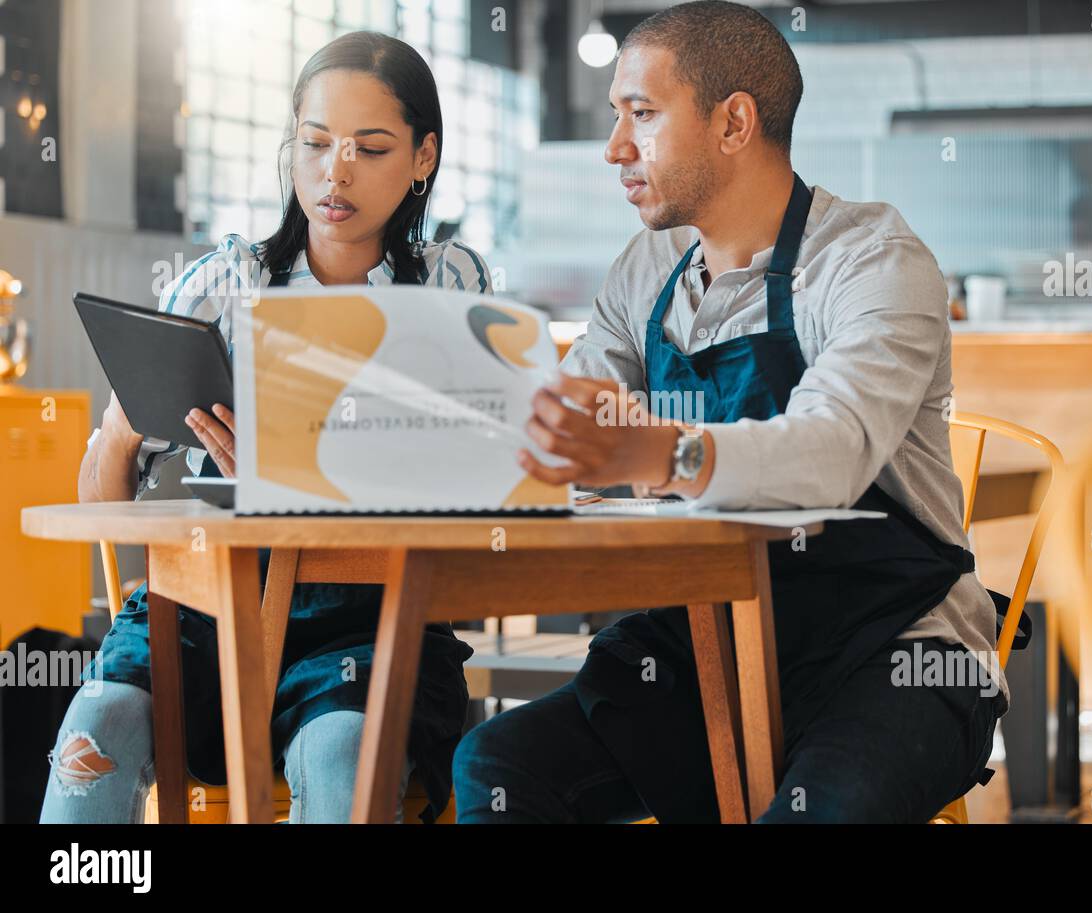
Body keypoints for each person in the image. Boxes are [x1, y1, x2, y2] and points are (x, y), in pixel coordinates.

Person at [453, 1, 1007, 824]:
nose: (615, 149)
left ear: (735, 122)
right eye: (616, 118)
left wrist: (655, 454)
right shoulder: (646, 269)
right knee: (495, 762)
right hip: (707, 645)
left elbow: (831, 448)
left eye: (641, 115)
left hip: (898, 651)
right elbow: (554, 428)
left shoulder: (871, 262)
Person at [42, 31, 490, 824]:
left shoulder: (451, 284)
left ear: (423, 157)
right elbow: (97, 506)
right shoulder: (224, 280)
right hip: (205, 608)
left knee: (340, 756)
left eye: (370, 148)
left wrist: (303, 464)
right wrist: (124, 422)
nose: (335, 170)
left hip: (370, 615)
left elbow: (486, 478)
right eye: (315, 143)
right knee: (94, 732)